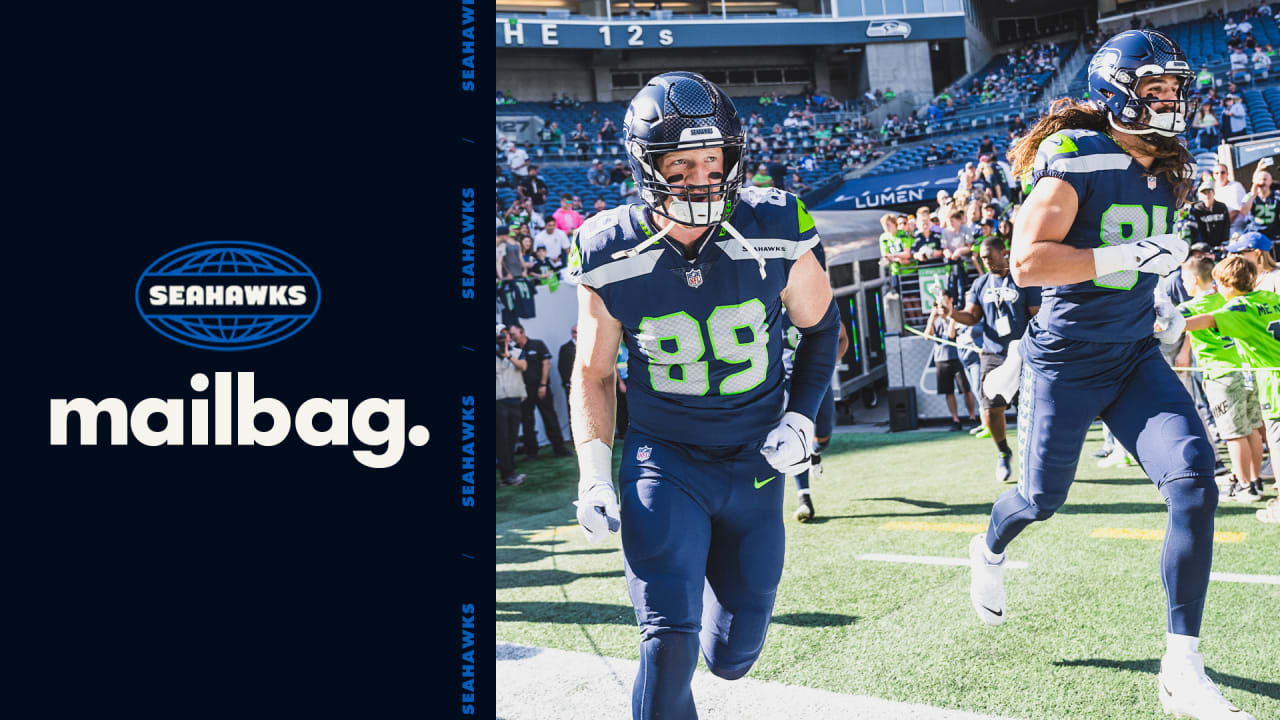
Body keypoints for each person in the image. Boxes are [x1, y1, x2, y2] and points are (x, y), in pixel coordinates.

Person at [968, 31, 1256, 719]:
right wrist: (1131, 255)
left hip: (1131, 356)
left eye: (1175, 88)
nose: (1172, 99)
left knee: (1192, 482)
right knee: (1040, 500)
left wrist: (1157, 296)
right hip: (1066, 363)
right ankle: (987, 545)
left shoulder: (1166, 160)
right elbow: (1029, 264)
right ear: (1119, 92)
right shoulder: (1074, 154)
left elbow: (1142, 261)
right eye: (1157, 88)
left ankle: (1181, 667)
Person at [566, 71, 839, 720]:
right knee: (668, 639)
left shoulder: (775, 223)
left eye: (711, 160)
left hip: (755, 463)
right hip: (667, 461)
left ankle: (704, 599)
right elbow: (594, 372)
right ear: (646, 165)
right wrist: (593, 475)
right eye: (680, 164)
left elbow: (822, 327)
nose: (700, 178)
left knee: (734, 654)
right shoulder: (609, 248)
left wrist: (803, 417)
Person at [947, 236, 1040, 481]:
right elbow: (972, 316)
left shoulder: (1023, 279)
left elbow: (1036, 316)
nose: (985, 262)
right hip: (992, 353)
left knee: (1028, 410)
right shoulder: (979, 284)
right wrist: (951, 314)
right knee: (989, 409)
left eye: (989, 256)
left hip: (1023, 352)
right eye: (982, 258)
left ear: (1004, 252)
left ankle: (1032, 461)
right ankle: (1003, 453)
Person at [1178, 256, 1266, 502]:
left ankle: (1245, 485)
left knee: (1233, 434)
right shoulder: (1229, 299)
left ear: (1194, 280)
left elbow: (1166, 322)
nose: (1183, 284)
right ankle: (1255, 481)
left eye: (1185, 279)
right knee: (1251, 429)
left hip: (1221, 375)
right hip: (1246, 369)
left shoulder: (1189, 307)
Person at [509, 323, 572, 460]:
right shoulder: (513, 350)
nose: (512, 337)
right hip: (523, 391)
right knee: (527, 421)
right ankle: (532, 452)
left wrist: (543, 385)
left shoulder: (537, 344)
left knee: (550, 418)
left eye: (514, 334)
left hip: (540, 388)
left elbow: (546, 364)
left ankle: (559, 449)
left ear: (522, 331)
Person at [926, 290, 979, 431]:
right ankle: (955, 420)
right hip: (941, 359)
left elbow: (951, 335)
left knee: (966, 390)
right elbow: (927, 336)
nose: (940, 306)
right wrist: (932, 316)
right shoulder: (935, 319)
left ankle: (972, 417)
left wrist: (951, 315)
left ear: (950, 300)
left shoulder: (957, 316)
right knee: (948, 391)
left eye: (943, 301)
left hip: (957, 358)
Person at [495, 327, 528, 487]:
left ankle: (509, 472)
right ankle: (507, 474)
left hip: (515, 399)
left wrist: (507, 354)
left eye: (504, 334)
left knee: (512, 437)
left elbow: (523, 366)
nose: (502, 337)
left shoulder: (516, 351)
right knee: (502, 438)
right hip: (498, 400)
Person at [1238, 168, 1280, 243]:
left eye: (1265, 179)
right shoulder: (1249, 196)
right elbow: (1243, 212)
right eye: (1259, 180)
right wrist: (1253, 196)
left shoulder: (1277, 196)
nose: (1262, 182)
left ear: (1270, 182)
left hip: (1273, 234)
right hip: (1255, 233)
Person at [1186, 185, 1231, 251]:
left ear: (1214, 193)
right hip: (1202, 246)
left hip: (1220, 245)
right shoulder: (1196, 209)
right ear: (1200, 195)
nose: (1207, 195)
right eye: (1204, 193)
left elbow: (1226, 225)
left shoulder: (1222, 207)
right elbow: (1195, 229)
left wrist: (1224, 242)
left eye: (1209, 192)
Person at [558, 325, 578, 443]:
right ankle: (575, 438)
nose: (576, 334)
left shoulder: (588, 345)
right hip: (572, 386)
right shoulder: (565, 348)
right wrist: (567, 383)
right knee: (574, 412)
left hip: (589, 385)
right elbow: (562, 367)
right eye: (574, 332)